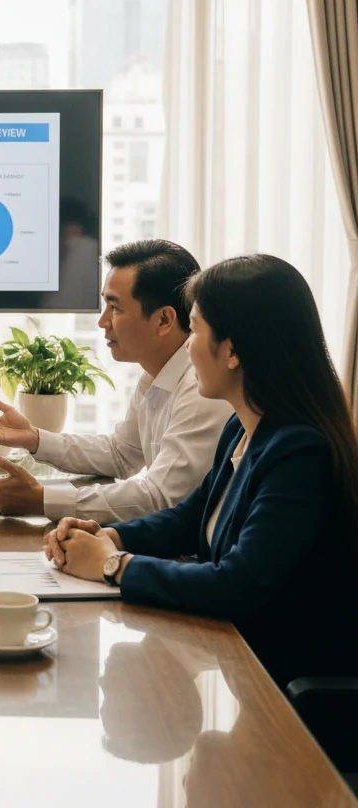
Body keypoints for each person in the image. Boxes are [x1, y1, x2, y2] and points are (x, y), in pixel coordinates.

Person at [44, 254, 358, 687]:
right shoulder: (243, 428)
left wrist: (115, 565)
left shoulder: (300, 453)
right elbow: (190, 519)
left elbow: (238, 584)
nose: (187, 344)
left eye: (195, 329)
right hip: (235, 660)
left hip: (281, 693)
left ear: (231, 351)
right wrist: (109, 536)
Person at [0, 239, 232, 522]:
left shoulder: (202, 388)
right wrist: (34, 438)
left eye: (115, 308)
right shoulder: (155, 374)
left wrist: (42, 500)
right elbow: (121, 453)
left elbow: (160, 497)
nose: (103, 321)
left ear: (164, 319)